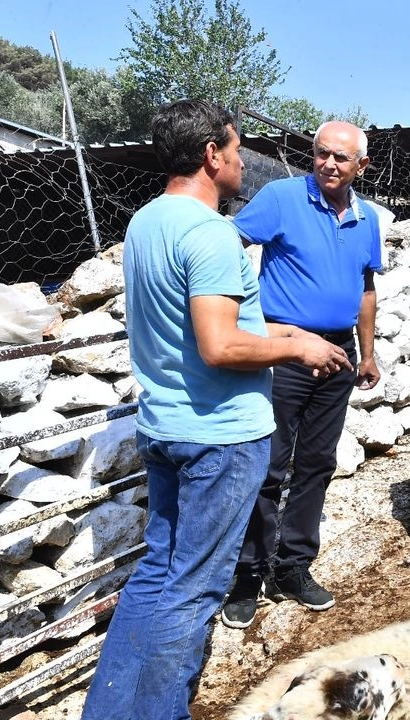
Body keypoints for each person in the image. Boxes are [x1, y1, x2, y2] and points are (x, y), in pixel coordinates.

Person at [80, 100, 350, 720]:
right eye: (234, 148)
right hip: (219, 438)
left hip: (167, 426)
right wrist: (295, 345)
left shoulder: (148, 221)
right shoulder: (210, 232)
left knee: (158, 574)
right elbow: (221, 343)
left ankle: (113, 711)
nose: (239, 159)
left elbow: (202, 322)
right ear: (211, 155)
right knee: (194, 591)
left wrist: (283, 332)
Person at [220, 120, 383, 628]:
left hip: (337, 354)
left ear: (361, 166)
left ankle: (292, 568)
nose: (329, 164)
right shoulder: (282, 197)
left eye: (341, 158)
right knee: (267, 465)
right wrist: (264, 324)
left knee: (316, 463)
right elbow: (227, 246)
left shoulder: (366, 218)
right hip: (286, 352)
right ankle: (247, 576)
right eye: (321, 154)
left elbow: (365, 288)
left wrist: (368, 353)